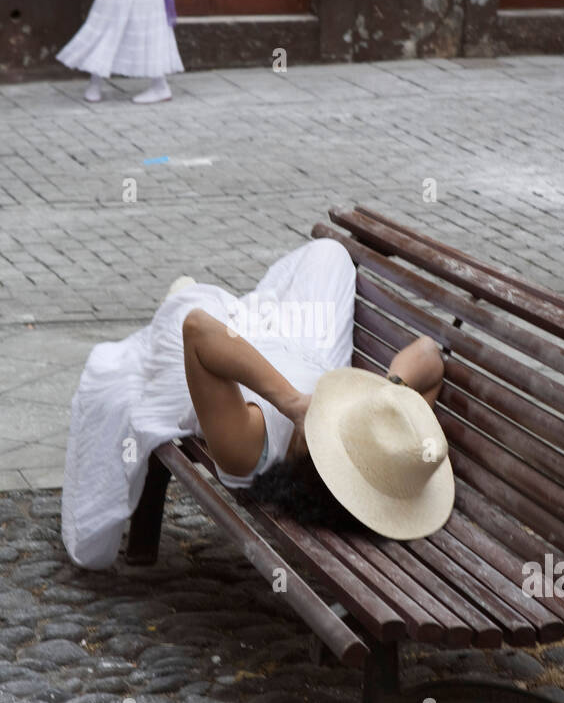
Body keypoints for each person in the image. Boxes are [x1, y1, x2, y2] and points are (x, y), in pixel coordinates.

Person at [61, 238, 452, 570]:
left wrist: (293, 402)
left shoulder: (251, 449)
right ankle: (244, 306)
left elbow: (198, 331)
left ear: (314, 457)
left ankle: (185, 294)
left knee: (189, 308)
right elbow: (430, 355)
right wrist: (386, 394)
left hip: (232, 351)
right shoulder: (380, 456)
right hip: (309, 352)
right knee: (330, 252)